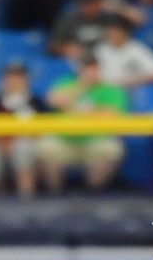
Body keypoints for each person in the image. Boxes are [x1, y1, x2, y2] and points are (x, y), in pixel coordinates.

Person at [37, 55, 128, 193]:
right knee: (45, 146)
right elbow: (53, 100)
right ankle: (54, 193)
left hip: (95, 139)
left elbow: (110, 115)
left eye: (93, 69)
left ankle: (94, 191)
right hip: (64, 139)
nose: (90, 72)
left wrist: (80, 112)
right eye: (86, 69)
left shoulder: (109, 89)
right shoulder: (67, 83)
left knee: (111, 149)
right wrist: (81, 86)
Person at [0, 62, 48, 197]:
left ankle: (26, 197)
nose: (14, 81)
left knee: (23, 151)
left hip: (26, 142)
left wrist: (18, 141)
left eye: (18, 77)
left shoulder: (35, 101)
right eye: (10, 77)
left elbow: (43, 129)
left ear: (25, 80)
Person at [48, 0, 145, 59]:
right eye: (85, 3)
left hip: (107, 60)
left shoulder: (108, 17)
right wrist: (65, 48)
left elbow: (139, 19)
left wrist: (115, 8)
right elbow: (53, 46)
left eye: (93, 2)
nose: (88, 6)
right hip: (79, 62)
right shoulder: (68, 19)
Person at [92, 14, 153, 89]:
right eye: (110, 32)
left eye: (116, 32)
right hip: (102, 92)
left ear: (125, 33)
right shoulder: (101, 49)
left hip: (128, 92)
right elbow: (90, 72)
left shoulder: (137, 49)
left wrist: (132, 81)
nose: (112, 35)